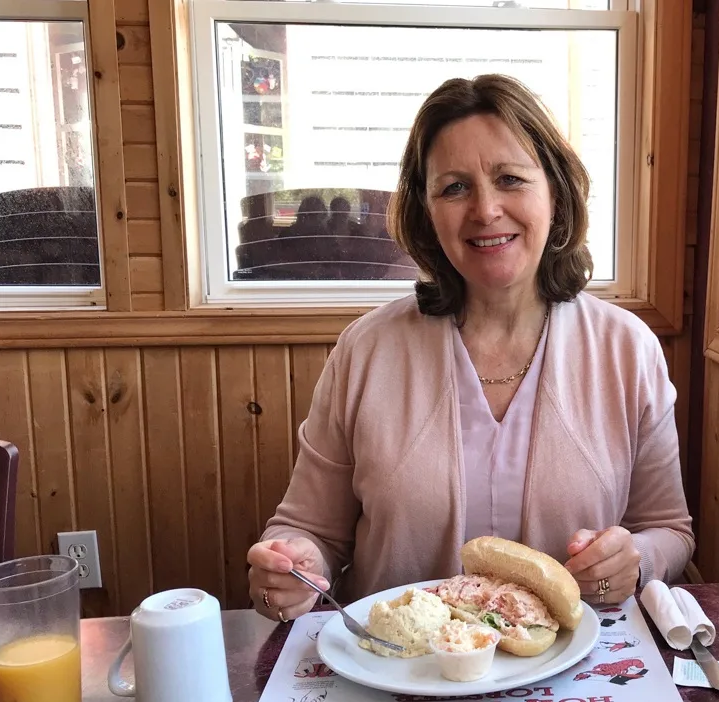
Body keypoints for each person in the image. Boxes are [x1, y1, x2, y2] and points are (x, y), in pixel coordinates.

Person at [247, 74, 694, 623]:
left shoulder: (627, 350)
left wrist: (637, 562)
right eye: (454, 187)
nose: (485, 210)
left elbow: (671, 530)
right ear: (427, 213)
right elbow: (309, 529)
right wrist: (293, 569)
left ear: (555, 191)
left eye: (510, 178)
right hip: (397, 672)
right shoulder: (365, 351)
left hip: (570, 679)